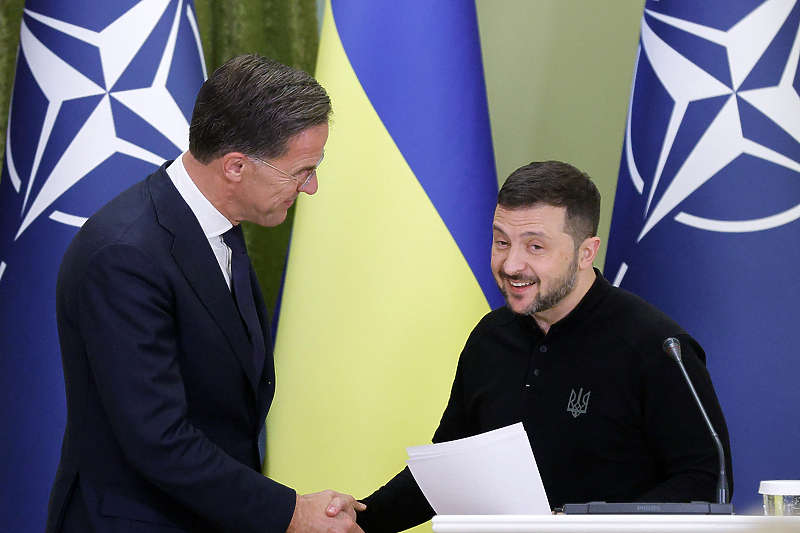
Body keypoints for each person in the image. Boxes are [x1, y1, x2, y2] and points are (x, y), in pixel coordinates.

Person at [46, 54, 364, 533]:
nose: (312, 187)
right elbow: (158, 439)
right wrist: (291, 512)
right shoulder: (124, 256)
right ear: (235, 166)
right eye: (301, 171)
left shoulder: (218, 223)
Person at [356, 161, 733, 531]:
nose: (511, 264)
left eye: (535, 246)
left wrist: (582, 525)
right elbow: (449, 472)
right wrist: (360, 520)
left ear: (586, 253)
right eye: (501, 242)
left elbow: (704, 484)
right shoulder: (489, 339)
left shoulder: (657, 347)